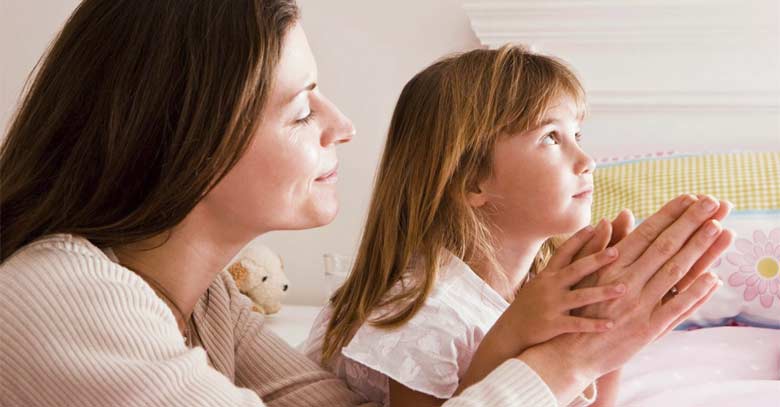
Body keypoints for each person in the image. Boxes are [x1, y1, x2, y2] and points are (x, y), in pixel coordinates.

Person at [0, 0, 733, 406]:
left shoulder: (209, 305)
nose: (343, 125)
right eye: (298, 110)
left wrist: (580, 345)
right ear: (183, 144)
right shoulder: (57, 294)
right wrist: (570, 358)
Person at [300, 46, 733, 406]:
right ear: (472, 180)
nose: (587, 161)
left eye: (577, 136)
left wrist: (612, 333)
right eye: (550, 138)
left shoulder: (534, 288)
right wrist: (515, 334)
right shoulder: (420, 312)